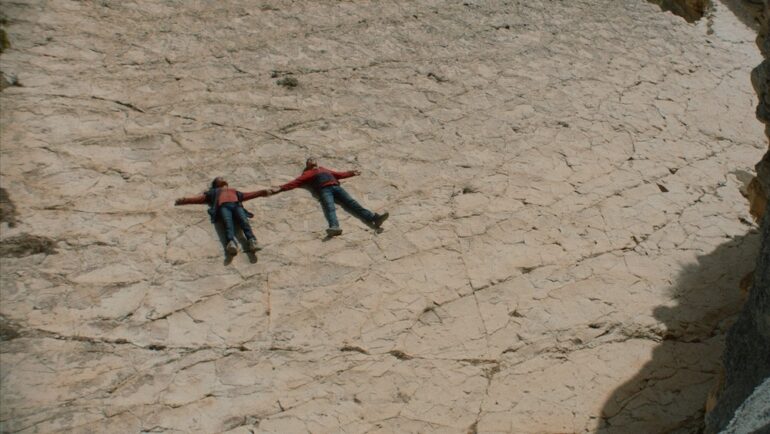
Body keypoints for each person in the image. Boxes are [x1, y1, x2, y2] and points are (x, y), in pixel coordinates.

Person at [270, 158, 388, 236]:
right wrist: (281, 187)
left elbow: (338, 174)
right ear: (308, 165)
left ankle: (374, 218)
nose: (313, 160)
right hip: (325, 190)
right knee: (329, 207)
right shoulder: (307, 173)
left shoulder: (323, 169)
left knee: (352, 203)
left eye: (314, 159)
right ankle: (334, 227)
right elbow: (296, 182)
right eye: (310, 160)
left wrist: (351, 173)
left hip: (336, 187)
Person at [175, 177, 269, 255]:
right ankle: (231, 242)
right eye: (219, 179)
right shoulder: (214, 192)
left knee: (244, 222)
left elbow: (247, 195)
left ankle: (252, 241)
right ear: (216, 184)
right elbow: (200, 199)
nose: (222, 179)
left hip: (237, 205)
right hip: (224, 207)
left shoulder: (233, 190)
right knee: (228, 224)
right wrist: (185, 200)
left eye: (222, 179)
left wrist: (262, 192)